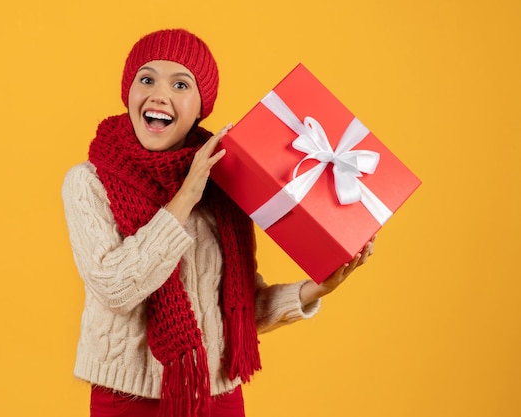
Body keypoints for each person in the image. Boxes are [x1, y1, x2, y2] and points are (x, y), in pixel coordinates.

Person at [61, 28, 375, 417]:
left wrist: (314, 290)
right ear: (129, 94)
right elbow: (115, 289)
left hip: (219, 397)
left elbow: (235, 308)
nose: (160, 94)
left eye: (180, 84)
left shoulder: (225, 184)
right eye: (147, 79)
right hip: (127, 401)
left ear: (200, 108)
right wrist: (185, 198)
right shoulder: (88, 182)